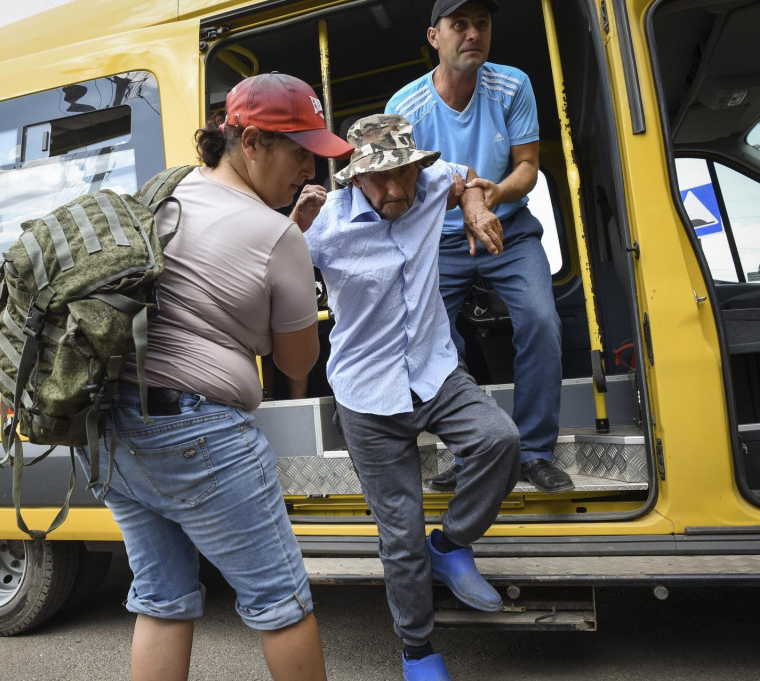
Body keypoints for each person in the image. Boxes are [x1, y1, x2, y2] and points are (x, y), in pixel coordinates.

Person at [80, 73, 354, 681]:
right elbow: (296, 364)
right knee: (281, 603)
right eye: (297, 149)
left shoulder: (168, 194)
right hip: (199, 436)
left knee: (162, 597)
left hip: (114, 429)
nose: (309, 168)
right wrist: (294, 252)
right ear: (251, 141)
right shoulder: (278, 234)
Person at [291, 113, 520, 681]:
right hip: (367, 391)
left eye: (405, 175)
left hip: (435, 368)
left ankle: (453, 542)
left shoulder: (430, 181)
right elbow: (266, 276)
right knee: (400, 532)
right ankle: (418, 652)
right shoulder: (325, 226)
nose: (396, 190)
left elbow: (461, 174)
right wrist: (288, 233)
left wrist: (472, 202)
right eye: (380, 179)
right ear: (355, 178)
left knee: (500, 441)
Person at [386, 0, 573, 493]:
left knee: (540, 320)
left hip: (508, 231)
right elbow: (400, 189)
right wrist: (467, 195)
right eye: (459, 25)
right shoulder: (405, 109)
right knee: (434, 343)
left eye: (481, 24)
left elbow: (528, 167)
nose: (472, 34)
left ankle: (533, 451)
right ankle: (475, 451)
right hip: (436, 241)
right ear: (435, 37)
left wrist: (490, 194)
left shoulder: (513, 85)